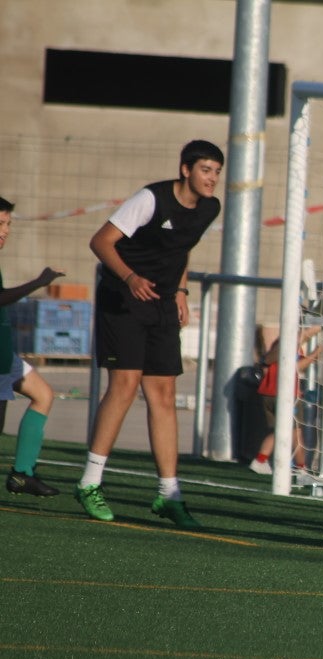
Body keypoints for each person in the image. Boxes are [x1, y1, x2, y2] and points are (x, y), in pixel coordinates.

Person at [74, 139, 224, 528]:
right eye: (206, 169)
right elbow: (100, 241)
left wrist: (180, 291)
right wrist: (130, 277)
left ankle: (169, 495)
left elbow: (182, 248)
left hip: (160, 302)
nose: (212, 178)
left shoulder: (210, 208)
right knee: (124, 385)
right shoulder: (151, 198)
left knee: (164, 393)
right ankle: (90, 483)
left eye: (217, 172)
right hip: (123, 297)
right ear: (186, 169)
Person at [0, 196, 65, 497]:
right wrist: (38, 283)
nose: (5, 230)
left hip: (4, 354)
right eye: (0, 223)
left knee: (43, 394)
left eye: (8, 224)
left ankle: (23, 475)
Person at [249, 326, 322, 477]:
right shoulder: (289, 343)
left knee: (289, 433)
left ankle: (299, 468)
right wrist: (316, 353)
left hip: (268, 393)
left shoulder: (280, 344)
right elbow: (296, 366)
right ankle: (262, 461)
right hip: (284, 394)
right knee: (289, 433)